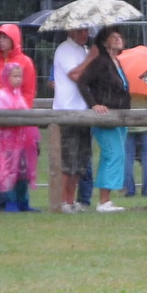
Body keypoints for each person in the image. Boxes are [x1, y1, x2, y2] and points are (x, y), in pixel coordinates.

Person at [0, 23, 38, 212]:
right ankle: (1, 200)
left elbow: (28, 92)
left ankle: (20, 200)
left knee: (21, 162)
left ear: (14, 39)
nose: (1, 41)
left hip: (19, 121)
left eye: (5, 37)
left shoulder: (25, 62)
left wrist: (22, 117)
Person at [77, 27, 132, 213]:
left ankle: (106, 200)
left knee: (114, 155)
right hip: (105, 117)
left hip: (120, 117)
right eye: (112, 37)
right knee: (113, 154)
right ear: (104, 41)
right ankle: (103, 201)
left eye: (119, 36)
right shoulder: (100, 61)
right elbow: (82, 82)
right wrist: (94, 104)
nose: (117, 39)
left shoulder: (116, 62)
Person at [51, 26, 96, 212]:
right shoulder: (64, 49)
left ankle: (71, 200)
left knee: (80, 160)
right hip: (67, 111)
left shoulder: (84, 50)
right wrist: (92, 57)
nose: (84, 34)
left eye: (86, 30)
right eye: (79, 30)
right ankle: (63, 200)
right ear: (70, 31)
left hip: (83, 110)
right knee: (68, 160)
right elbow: (76, 75)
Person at [0, 62, 40, 208]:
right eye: (14, 76)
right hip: (7, 143)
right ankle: (9, 202)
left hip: (22, 142)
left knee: (22, 172)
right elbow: (1, 118)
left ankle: (23, 201)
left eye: (20, 76)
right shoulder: (0, 95)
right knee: (8, 172)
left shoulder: (19, 95)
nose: (18, 79)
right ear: (6, 76)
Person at [123, 84, 147, 198]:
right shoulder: (145, 84)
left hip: (128, 123)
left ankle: (129, 190)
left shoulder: (124, 82)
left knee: (128, 158)